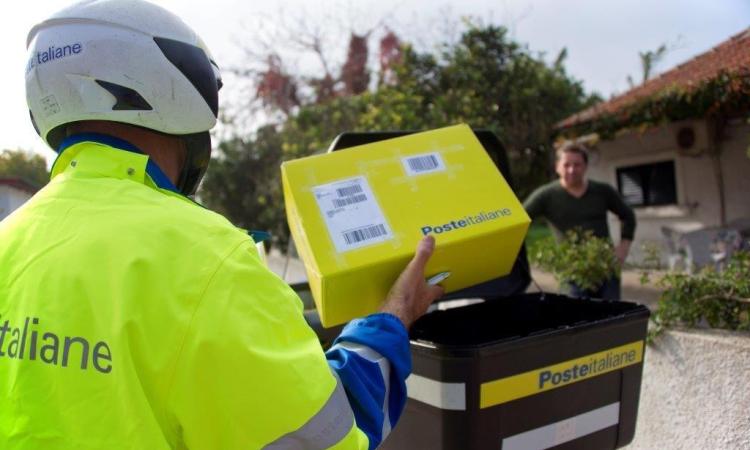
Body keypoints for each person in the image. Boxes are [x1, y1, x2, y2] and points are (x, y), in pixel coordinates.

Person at [0, 1, 444, 449]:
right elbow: (329, 438)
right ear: (177, 89)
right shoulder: (208, 260)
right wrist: (393, 316)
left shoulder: (8, 240)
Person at [523, 143, 636, 300]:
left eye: (577, 165)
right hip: (571, 270)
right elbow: (521, 220)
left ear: (585, 166)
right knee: (577, 317)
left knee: (610, 317)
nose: (571, 170)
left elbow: (628, 216)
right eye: (566, 165)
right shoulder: (545, 196)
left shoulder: (602, 191)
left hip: (606, 268)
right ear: (557, 167)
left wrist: (623, 248)